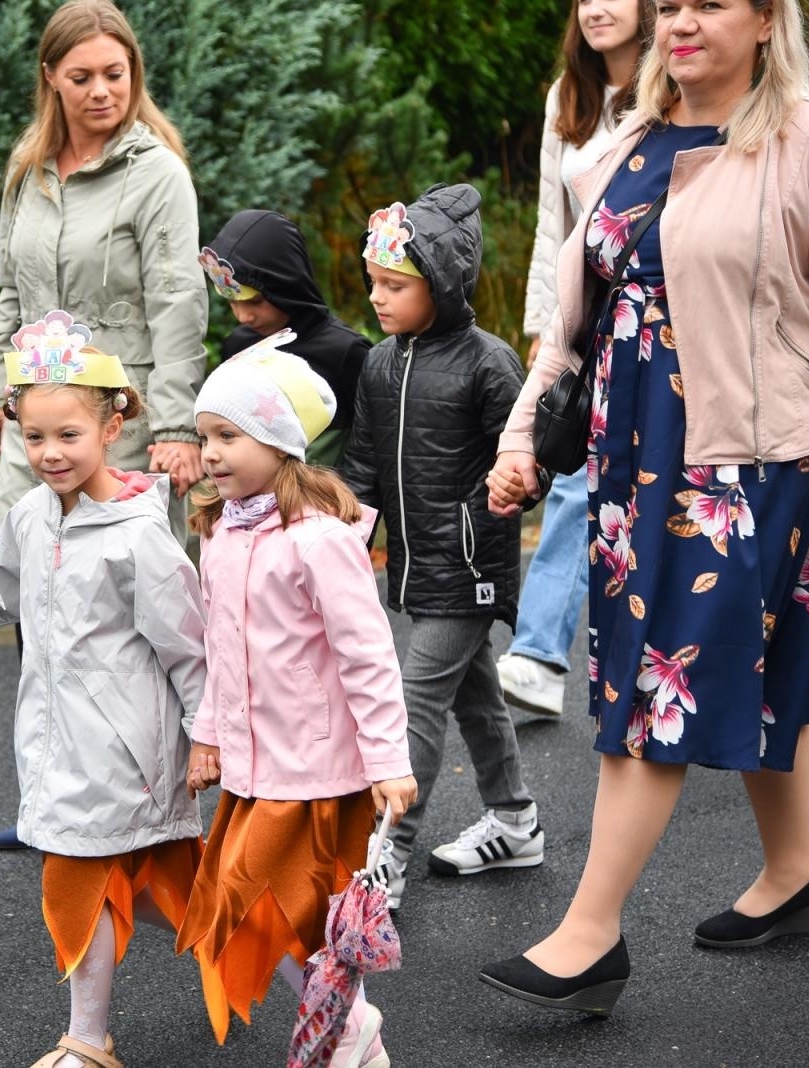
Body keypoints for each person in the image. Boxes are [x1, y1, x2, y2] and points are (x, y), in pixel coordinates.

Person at [481, 0, 809, 1016]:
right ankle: (795, 873)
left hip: (744, 464)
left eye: (710, 3)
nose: (682, 22)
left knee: (662, 675)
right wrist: (523, 435)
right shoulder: (624, 146)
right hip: (629, 457)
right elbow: (573, 328)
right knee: (765, 656)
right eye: (672, 5)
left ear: (766, 20)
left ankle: (589, 932)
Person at [0, 313, 209, 1068]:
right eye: (35, 437)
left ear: (111, 428)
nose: (50, 453)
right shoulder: (28, 516)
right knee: (173, 899)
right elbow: (7, 595)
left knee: (86, 886)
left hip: (127, 756)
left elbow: (188, 646)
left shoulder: (139, 534)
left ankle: (89, 1040)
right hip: (59, 751)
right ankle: (313, 981)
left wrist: (210, 736)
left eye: (68, 436)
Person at [0, 0, 206, 851]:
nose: (103, 91)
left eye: (117, 74)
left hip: (119, 419)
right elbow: (10, 293)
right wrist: (1, 400)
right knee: (33, 600)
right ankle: (53, 801)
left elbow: (180, 301)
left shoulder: (157, 173)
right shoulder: (28, 171)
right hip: (35, 419)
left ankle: (146, 802)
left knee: (124, 619)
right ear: (51, 80)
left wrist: (179, 424)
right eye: (82, 78)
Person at [177, 341, 416, 1068]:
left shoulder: (318, 541)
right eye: (204, 437)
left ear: (280, 442)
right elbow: (222, 649)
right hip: (254, 770)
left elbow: (367, 656)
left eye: (229, 436)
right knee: (272, 913)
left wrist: (388, 762)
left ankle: (347, 1029)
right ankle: (353, 1027)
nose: (210, 454)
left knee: (269, 906)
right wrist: (208, 735)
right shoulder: (218, 534)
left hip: (315, 767)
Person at [338, 187, 534, 912]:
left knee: (411, 700)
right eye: (373, 283)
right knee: (476, 698)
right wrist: (343, 538)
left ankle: (389, 851)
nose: (377, 298)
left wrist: (510, 494)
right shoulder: (381, 366)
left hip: (471, 566)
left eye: (395, 285)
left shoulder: (490, 363)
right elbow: (361, 470)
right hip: (418, 568)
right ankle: (516, 821)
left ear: (442, 283)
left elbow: (522, 460)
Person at [501, 0, 652, 717]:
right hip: (585, 322)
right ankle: (538, 653)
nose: (597, 8)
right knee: (570, 472)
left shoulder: (672, 85)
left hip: (655, 317)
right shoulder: (571, 95)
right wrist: (545, 328)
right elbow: (549, 223)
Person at [198, 210, 367, 465]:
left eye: (255, 301)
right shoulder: (238, 347)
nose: (243, 316)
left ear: (287, 284)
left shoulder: (347, 352)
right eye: (232, 302)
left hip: (326, 500)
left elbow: (369, 448)